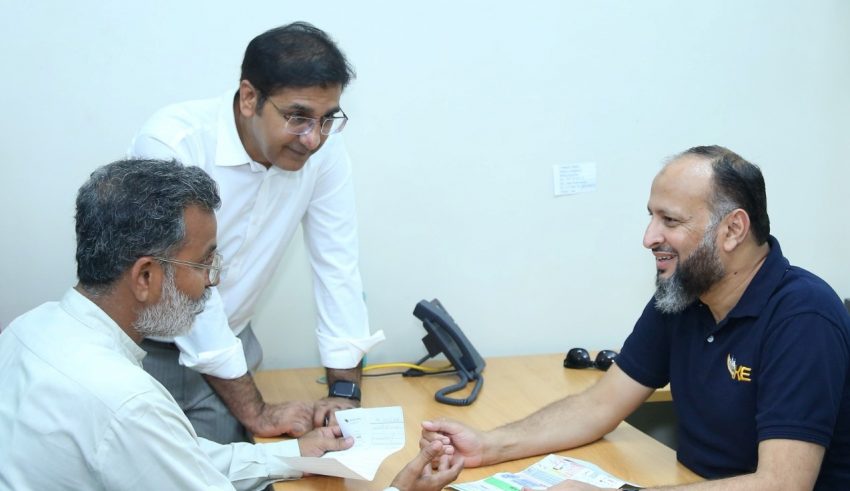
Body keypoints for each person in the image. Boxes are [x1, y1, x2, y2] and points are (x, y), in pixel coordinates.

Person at [0, 158, 461, 491]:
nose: (211, 281)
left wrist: (295, 454)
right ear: (145, 277)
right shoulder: (127, 402)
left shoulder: (29, 330)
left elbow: (178, 458)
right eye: (203, 263)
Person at [420, 146, 850, 490]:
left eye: (670, 220)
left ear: (733, 230)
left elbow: (781, 484)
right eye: (651, 217)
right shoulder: (683, 294)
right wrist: (487, 446)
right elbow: (599, 406)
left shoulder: (804, 316)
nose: (649, 238)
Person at [127, 21, 385, 444]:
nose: (313, 138)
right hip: (142, 352)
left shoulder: (325, 153)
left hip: (230, 351)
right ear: (249, 98)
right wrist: (256, 411)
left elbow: (337, 266)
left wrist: (344, 393)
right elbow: (181, 281)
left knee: (250, 468)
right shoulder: (173, 144)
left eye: (327, 119)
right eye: (298, 117)